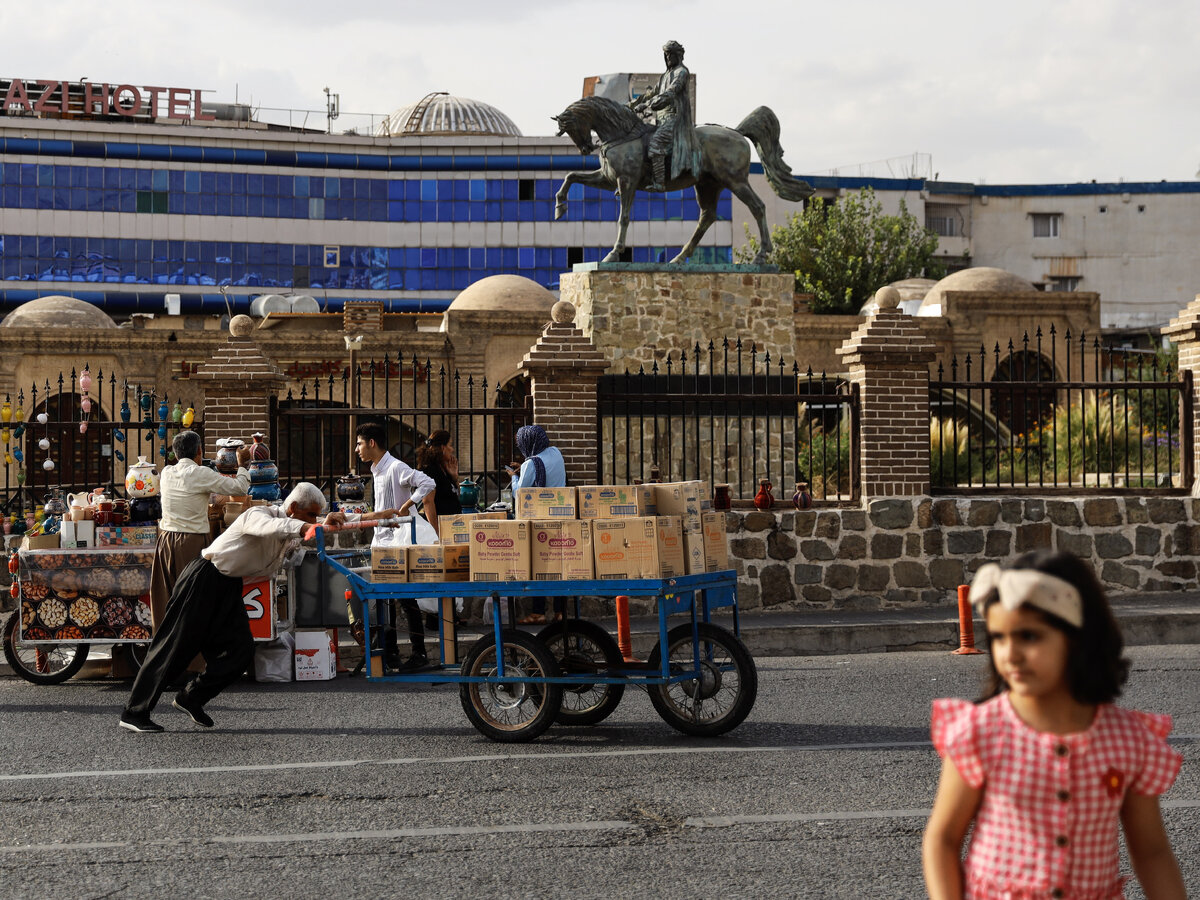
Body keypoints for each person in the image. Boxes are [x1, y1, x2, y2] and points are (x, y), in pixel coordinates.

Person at [922, 551, 1185, 900]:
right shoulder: (980, 731)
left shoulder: (1129, 739)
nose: (1010, 653)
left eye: (1029, 636)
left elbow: (1151, 851)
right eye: (999, 637)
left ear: (1077, 637)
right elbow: (943, 840)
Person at [120, 483, 345, 733]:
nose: (314, 520)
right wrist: (307, 526)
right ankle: (134, 712)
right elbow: (273, 527)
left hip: (228, 586)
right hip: (204, 578)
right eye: (311, 515)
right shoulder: (260, 515)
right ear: (292, 508)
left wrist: (372, 517)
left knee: (241, 650)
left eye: (316, 516)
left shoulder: (293, 525)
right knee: (174, 646)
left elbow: (308, 525)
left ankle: (190, 697)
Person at [150, 430, 251, 675]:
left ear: (174, 453)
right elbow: (239, 487)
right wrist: (242, 464)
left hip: (165, 541)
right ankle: (192, 665)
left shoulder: (167, 472)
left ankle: (161, 662)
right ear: (199, 453)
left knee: (166, 602)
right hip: (191, 541)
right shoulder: (200, 473)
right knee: (193, 605)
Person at [353, 421, 437, 669]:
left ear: (371, 443)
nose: (357, 449)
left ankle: (419, 653)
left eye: (359, 444)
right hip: (383, 542)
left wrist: (406, 506)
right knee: (385, 599)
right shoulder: (377, 469)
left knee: (407, 600)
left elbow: (428, 483)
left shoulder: (396, 467)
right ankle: (390, 652)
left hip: (400, 543)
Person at [506, 424, 564, 625]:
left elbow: (520, 494)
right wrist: (525, 467)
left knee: (539, 566)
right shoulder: (556, 453)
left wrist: (515, 477)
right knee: (559, 566)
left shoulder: (532, 464)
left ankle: (538, 612)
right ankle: (560, 612)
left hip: (541, 522)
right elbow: (546, 469)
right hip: (561, 517)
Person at [628, 39, 701, 192]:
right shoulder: (665, 75)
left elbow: (670, 93)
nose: (667, 57)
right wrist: (631, 105)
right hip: (661, 120)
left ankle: (659, 183)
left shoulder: (681, 73)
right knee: (640, 140)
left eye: (670, 54)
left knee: (656, 144)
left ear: (678, 55)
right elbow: (651, 93)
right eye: (666, 55)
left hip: (675, 118)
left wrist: (648, 105)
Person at [416, 429, 462, 518]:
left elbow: (456, 496)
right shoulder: (430, 471)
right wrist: (435, 530)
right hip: (441, 525)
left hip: (453, 524)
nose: (452, 449)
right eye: (450, 445)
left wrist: (454, 477)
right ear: (443, 448)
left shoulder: (444, 469)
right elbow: (428, 502)